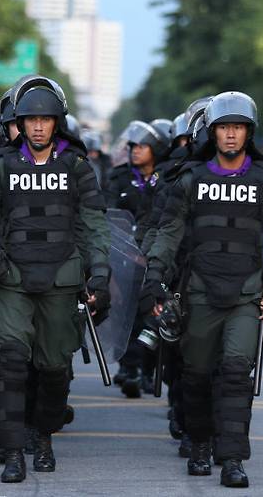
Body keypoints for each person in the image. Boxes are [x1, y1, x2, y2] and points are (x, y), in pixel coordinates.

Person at [0, 75, 111, 483]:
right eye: (29, 119)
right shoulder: (1, 167)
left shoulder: (77, 168)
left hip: (60, 282)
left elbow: (93, 224)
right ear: (20, 123)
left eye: (45, 120)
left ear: (56, 124)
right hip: (11, 280)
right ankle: (13, 451)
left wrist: (99, 272)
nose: (36, 126)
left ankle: (44, 437)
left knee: (53, 368)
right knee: (11, 363)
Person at [142, 91, 263, 488]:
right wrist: (154, 280)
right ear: (212, 133)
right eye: (223, 128)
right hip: (198, 292)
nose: (230, 135)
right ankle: (199, 444)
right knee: (196, 375)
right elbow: (168, 234)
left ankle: (232, 459)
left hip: (246, 295)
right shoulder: (190, 180)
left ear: (248, 133)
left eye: (237, 128)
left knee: (236, 374)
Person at [107, 120, 168, 397]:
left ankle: (149, 370)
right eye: (133, 147)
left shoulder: (166, 178)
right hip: (124, 256)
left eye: (142, 146)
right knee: (125, 313)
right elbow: (108, 216)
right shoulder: (119, 178)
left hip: (154, 257)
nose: (135, 151)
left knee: (153, 315)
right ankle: (128, 367)